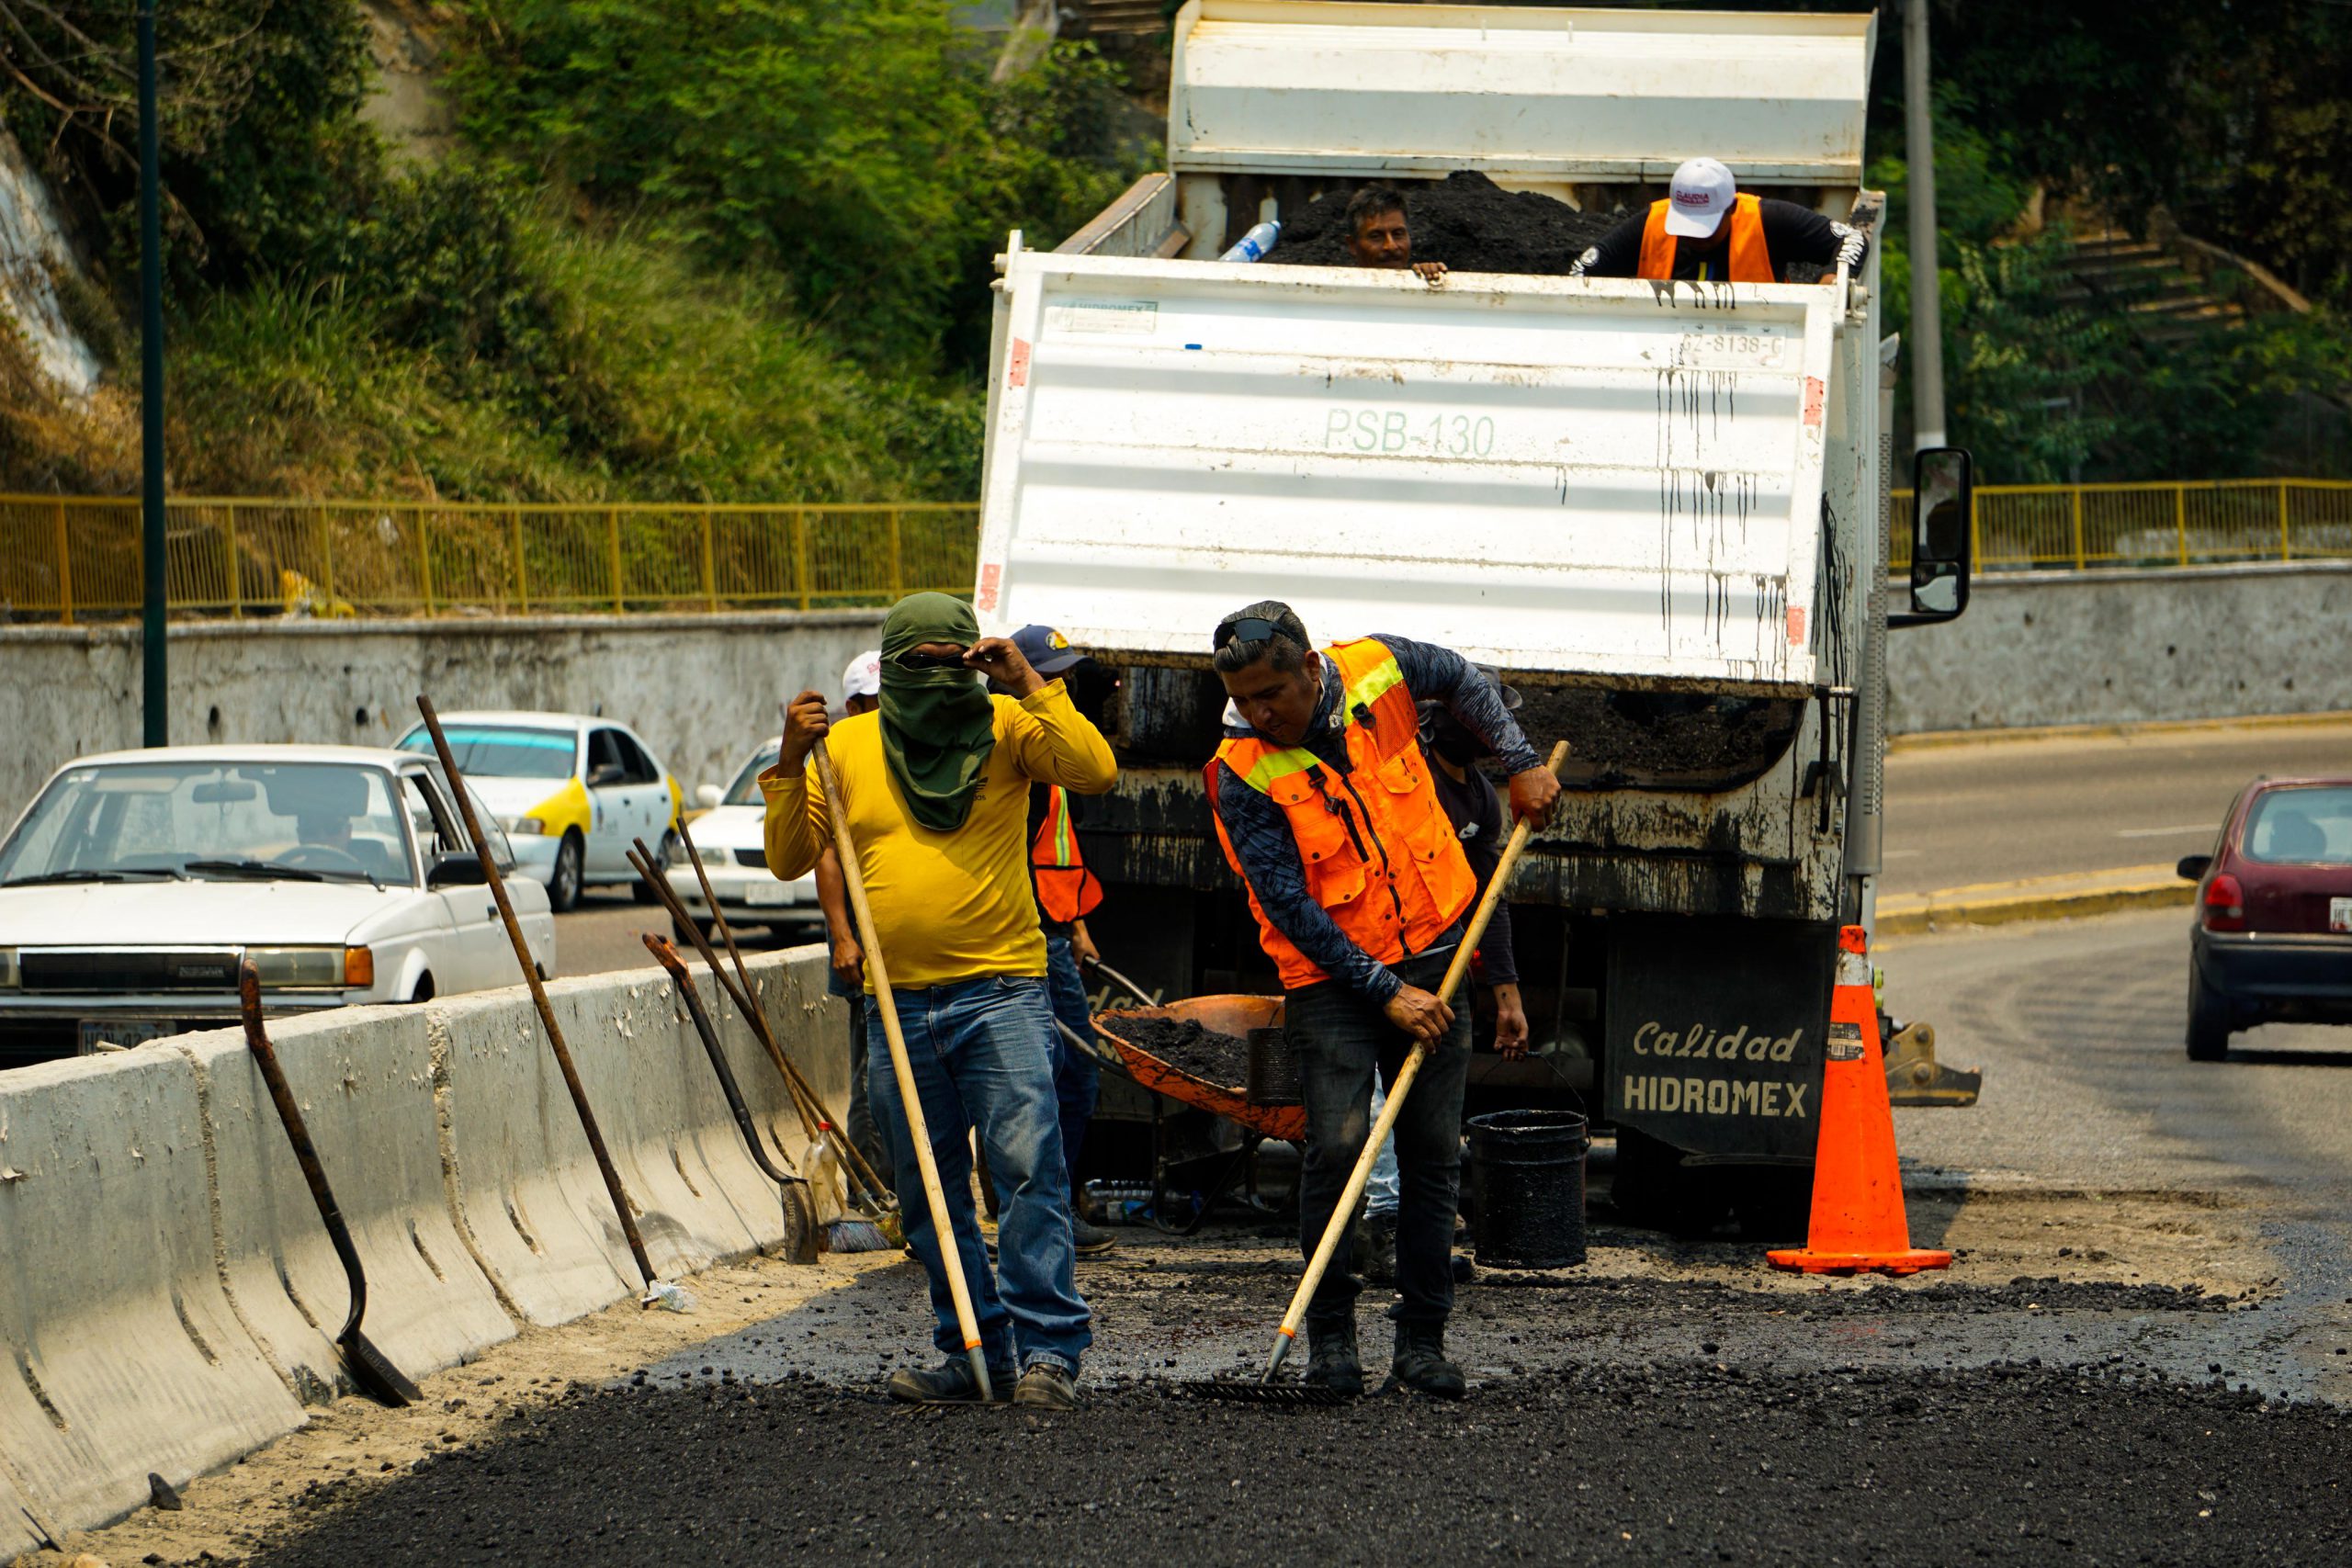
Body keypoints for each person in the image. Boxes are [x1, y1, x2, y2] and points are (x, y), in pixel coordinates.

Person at [765, 592, 1116, 1410]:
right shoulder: (846, 745)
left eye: (948, 658)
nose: (932, 675)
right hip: (898, 1005)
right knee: (927, 1188)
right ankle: (971, 1348)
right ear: (888, 667)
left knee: (1030, 1172)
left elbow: (1095, 769)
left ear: (974, 656)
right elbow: (787, 857)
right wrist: (789, 758)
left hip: (1001, 991)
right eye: (914, 661)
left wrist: (1027, 679)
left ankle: (1049, 1353)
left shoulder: (1006, 730)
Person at [1204, 601, 1556, 1399]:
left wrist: (1519, 760)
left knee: (1435, 1154)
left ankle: (1422, 1341)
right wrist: (1386, 993)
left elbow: (1465, 679)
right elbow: (1289, 907)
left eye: (1272, 695)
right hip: (1332, 981)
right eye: (1245, 700)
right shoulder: (1240, 770)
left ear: (1309, 670)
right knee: (1335, 1149)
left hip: (1437, 948)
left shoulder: (1376, 667)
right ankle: (1332, 1345)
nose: (1260, 714)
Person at [1359, 674, 1532, 1283]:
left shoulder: (1480, 798)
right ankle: (1380, 1222)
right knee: (1379, 1088)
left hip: (1439, 962)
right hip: (1376, 956)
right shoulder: (1406, 782)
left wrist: (1505, 994)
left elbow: (1491, 896)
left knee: (1429, 1105)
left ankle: (1418, 1239)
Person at [1010, 624, 1118, 1258]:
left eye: (1062, 676)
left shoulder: (1053, 754)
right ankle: (1047, 1209)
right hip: (1025, 943)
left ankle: (1058, 1199)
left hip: (1052, 932)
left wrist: (1076, 924)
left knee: (1072, 1077)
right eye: (1047, 676)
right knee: (1057, 1080)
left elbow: (1058, 850)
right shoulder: (1015, 754)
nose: (1060, 686)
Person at [812, 649, 892, 1196]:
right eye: (878, 702)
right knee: (871, 1067)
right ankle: (870, 1185)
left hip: (896, 933)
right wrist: (843, 937)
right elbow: (827, 856)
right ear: (855, 704)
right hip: (859, 937)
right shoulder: (838, 755)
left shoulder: (894, 752)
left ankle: (900, 1182)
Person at [1568, 156, 1867, 284]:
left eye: (1705, 227)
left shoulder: (1767, 221)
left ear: (1731, 209)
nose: (1696, 238)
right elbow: (1582, 271)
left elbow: (1852, 238)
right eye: (1687, 224)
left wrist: (1836, 276)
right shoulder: (1652, 224)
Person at [1340, 184, 1447, 285]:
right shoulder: (1335, 292)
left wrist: (1432, 281)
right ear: (1353, 245)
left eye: (1398, 234)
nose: (1391, 246)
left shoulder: (1420, 289)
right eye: (1376, 236)